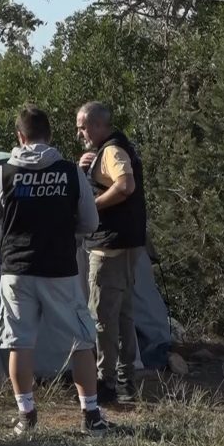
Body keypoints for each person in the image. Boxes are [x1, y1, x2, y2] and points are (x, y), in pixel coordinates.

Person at [0, 104, 114, 435]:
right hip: (60, 269)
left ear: (20, 137)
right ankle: (91, 417)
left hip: (16, 270)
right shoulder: (69, 173)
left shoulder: (4, 172)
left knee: (19, 342)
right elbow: (90, 221)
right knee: (81, 339)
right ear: (49, 136)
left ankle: (27, 416)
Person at [76, 101, 148, 403]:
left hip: (109, 249)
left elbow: (125, 185)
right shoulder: (117, 148)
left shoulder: (112, 151)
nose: (79, 132)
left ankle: (105, 384)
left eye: (83, 126)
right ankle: (125, 381)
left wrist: (92, 205)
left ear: (98, 126)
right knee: (124, 316)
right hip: (128, 245)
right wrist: (90, 167)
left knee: (104, 318)